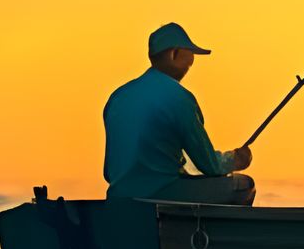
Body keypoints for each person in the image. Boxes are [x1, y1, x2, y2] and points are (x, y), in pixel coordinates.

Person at [103, 22, 256, 204]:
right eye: (189, 56)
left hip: (119, 196)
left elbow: (109, 172)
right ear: (173, 54)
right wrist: (234, 160)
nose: (191, 63)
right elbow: (209, 165)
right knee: (244, 185)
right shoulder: (179, 98)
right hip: (161, 194)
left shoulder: (117, 98)